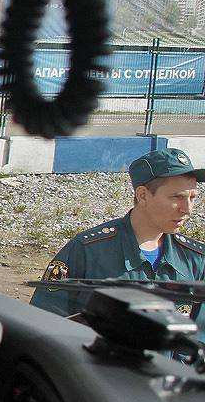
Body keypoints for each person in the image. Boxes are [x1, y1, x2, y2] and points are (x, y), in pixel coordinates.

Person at [31, 148, 205, 346]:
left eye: (193, 198)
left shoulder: (196, 259)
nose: (188, 209)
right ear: (143, 195)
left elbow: (199, 341)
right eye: (177, 197)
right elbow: (44, 324)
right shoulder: (88, 250)